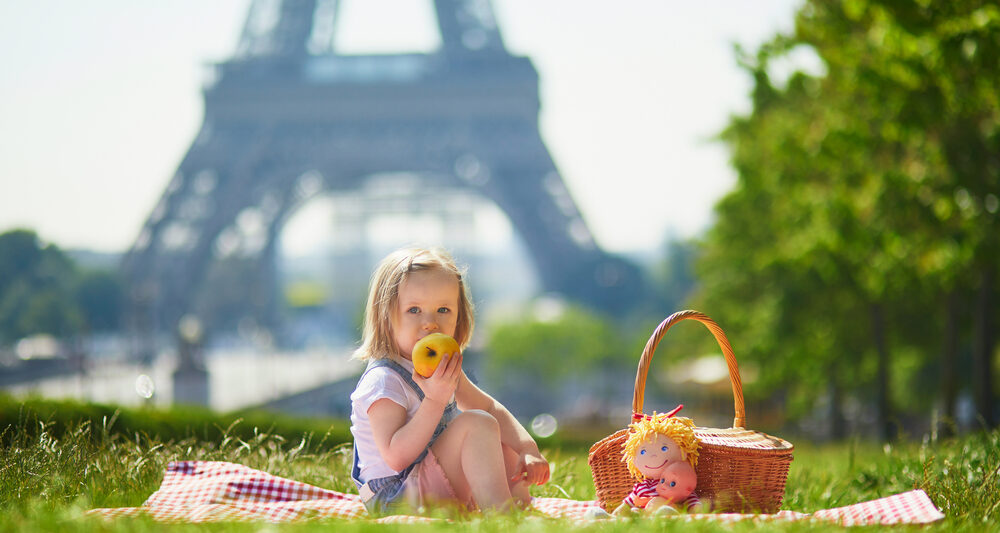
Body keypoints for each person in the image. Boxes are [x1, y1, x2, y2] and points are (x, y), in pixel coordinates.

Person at [349, 246, 550, 515]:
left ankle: (520, 511)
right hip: (396, 498)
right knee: (477, 425)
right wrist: (434, 400)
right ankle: (503, 520)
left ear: (460, 316)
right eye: (414, 310)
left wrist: (526, 447)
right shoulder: (384, 381)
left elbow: (491, 409)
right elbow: (397, 457)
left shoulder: (442, 365)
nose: (430, 323)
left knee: (493, 427)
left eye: (443, 309)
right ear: (386, 317)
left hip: (430, 483)